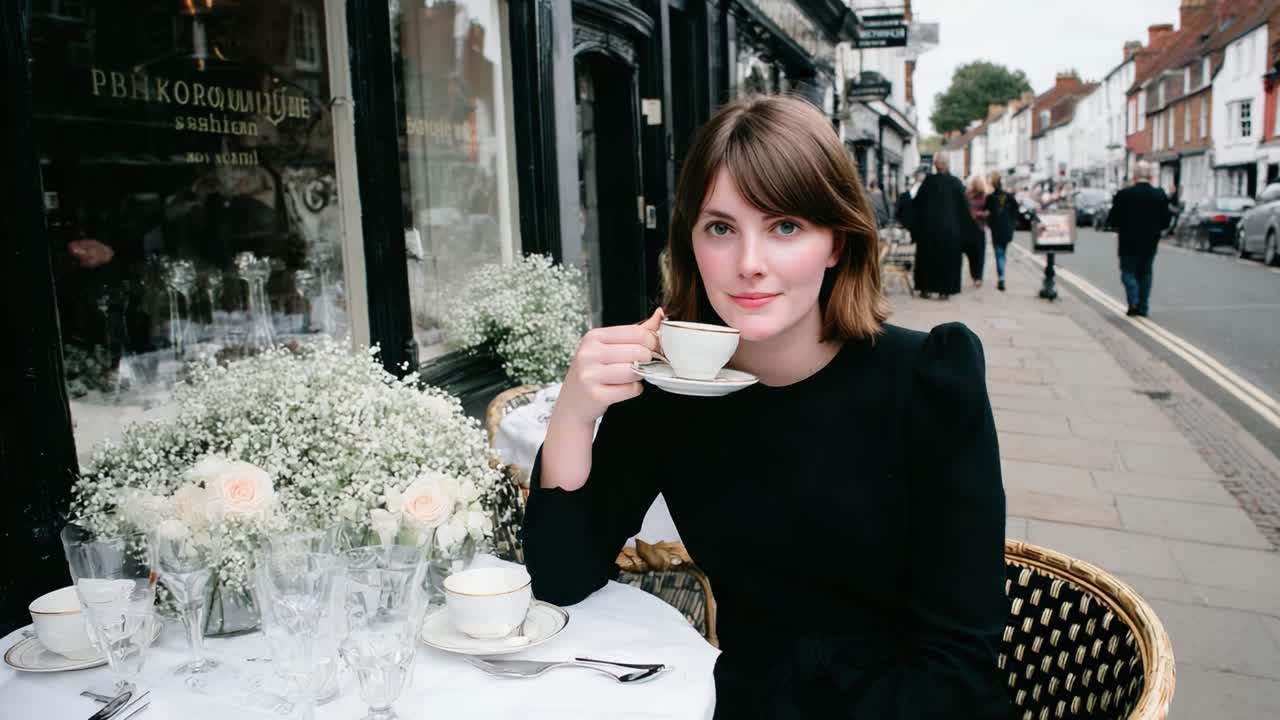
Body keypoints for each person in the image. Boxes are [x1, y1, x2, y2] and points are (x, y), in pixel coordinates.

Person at [522, 95, 1013, 719]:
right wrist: (573, 414)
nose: (749, 265)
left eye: (785, 226)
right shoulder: (672, 395)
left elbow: (958, 659)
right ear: (691, 243)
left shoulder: (928, 380)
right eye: (721, 228)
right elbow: (561, 578)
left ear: (836, 242)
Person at [1107, 161, 1170, 317]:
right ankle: (1143, 306)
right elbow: (1166, 221)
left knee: (1128, 272)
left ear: (1134, 177)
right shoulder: (1159, 195)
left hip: (1128, 242)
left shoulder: (1123, 195)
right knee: (1145, 273)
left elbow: (1112, 220)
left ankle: (1133, 301)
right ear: (1150, 176)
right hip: (1150, 242)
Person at [908, 155, 973, 299]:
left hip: (929, 231)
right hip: (949, 231)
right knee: (946, 262)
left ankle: (926, 288)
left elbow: (916, 206)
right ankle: (945, 290)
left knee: (928, 260)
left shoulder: (928, 182)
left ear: (936, 165)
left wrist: (916, 229)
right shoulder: (955, 183)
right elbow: (964, 209)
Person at [984, 172, 1019, 292]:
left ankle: (1001, 278)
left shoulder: (990, 198)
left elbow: (987, 214)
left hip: (996, 229)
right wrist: (1012, 223)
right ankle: (1002, 276)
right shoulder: (1008, 196)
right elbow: (1015, 211)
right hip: (1007, 229)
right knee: (1002, 252)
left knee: (999, 253)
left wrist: (990, 223)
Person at [965, 174, 990, 287]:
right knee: (973, 254)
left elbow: (988, 211)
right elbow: (965, 209)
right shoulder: (967, 195)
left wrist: (978, 214)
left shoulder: (985, 196)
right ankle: (975, 276)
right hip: (972, 228)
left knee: (979, 254)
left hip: (979, 228)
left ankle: (978, 277)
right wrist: (979, 214)